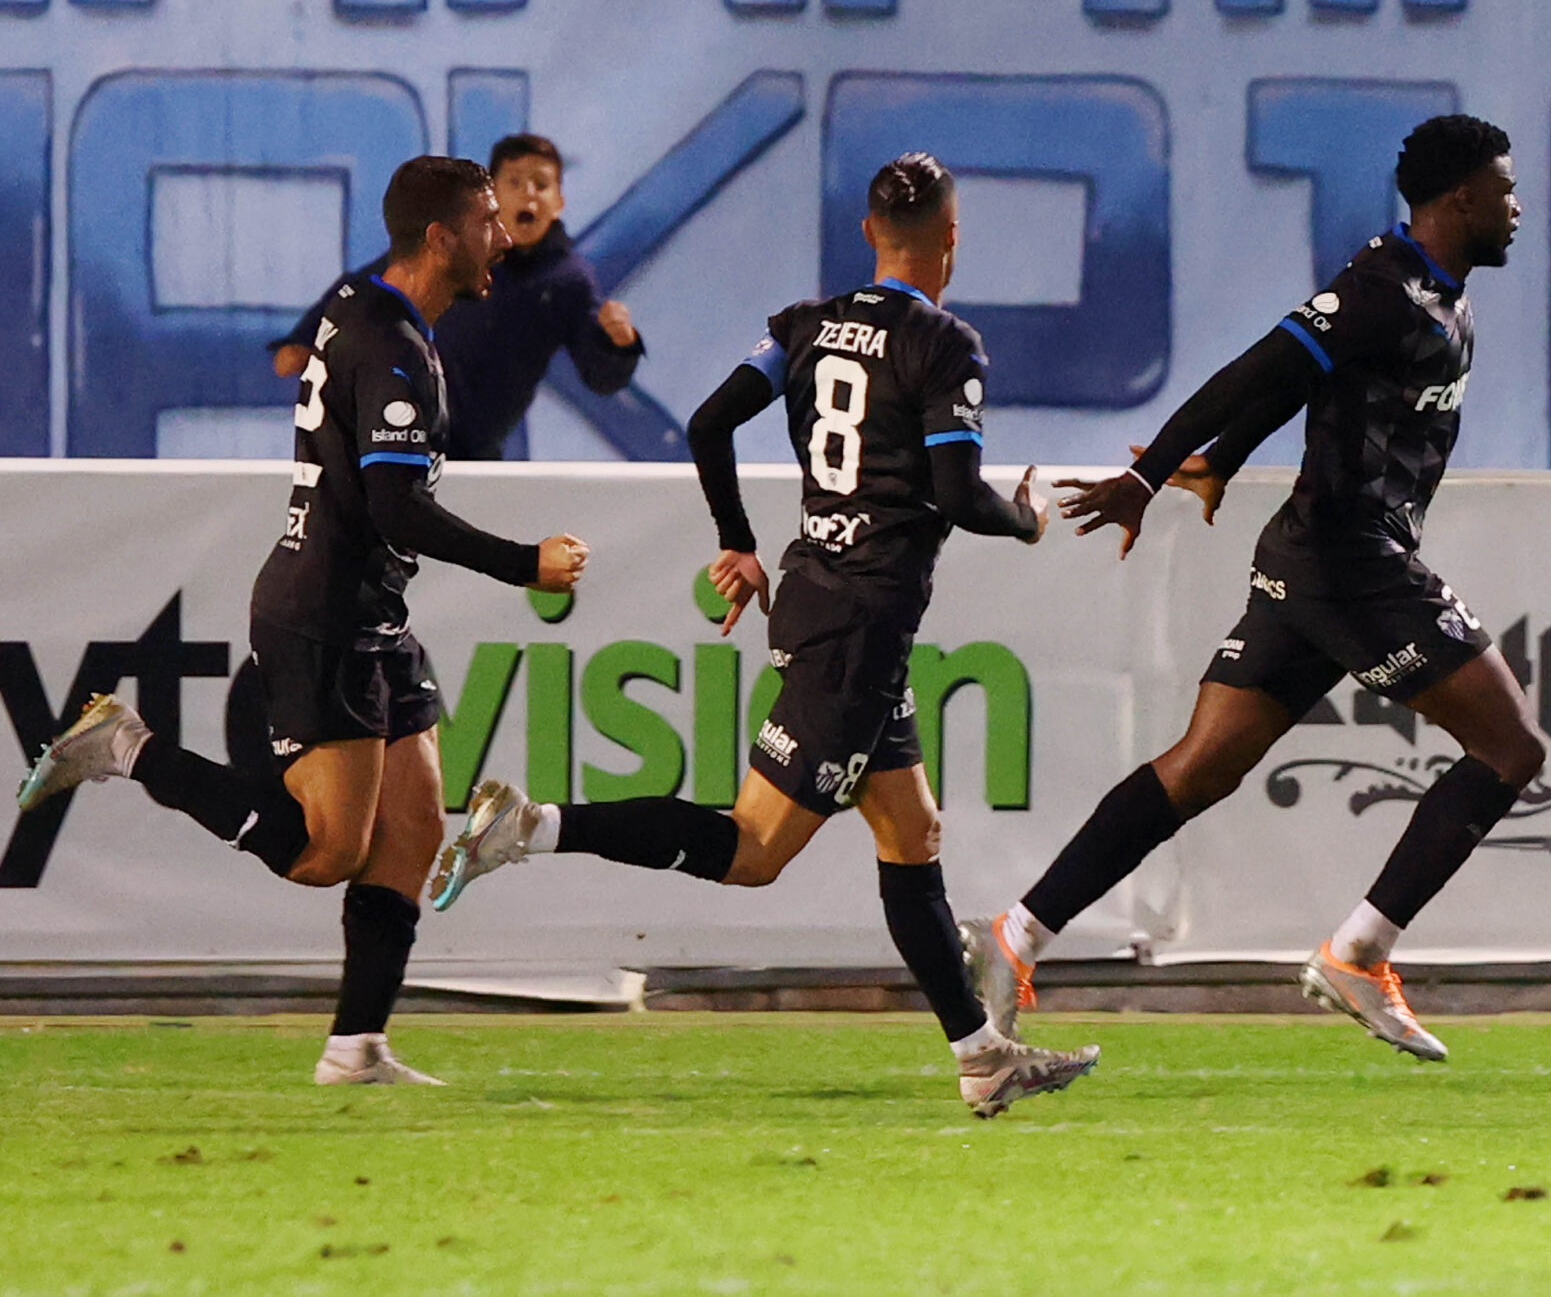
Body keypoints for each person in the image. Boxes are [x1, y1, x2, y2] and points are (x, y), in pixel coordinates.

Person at [428, 153, 1100, 1117]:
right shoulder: (947, 343)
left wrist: (736, 540)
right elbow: (958, 493)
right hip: (861, 628)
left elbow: (709, 423)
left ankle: (981, 1056)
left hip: (820, 600)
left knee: (911, 828)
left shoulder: (804, 325)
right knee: (751, 847)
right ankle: (530, 827)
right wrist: (1026, 519)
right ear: (952, 238)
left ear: (868, 234)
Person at [959, 116, 1543, 1063]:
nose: (1518, 207)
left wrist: (1223, 459)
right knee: (1510, 744)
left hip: (1312, 561)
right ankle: (1359, 952)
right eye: (1506, 189)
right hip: (1355, 566)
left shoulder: (1442, 297)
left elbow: (1302, 388)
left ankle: (1016, 934)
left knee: (1199, 767)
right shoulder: (1382, 290)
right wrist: (1147, 474)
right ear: (1462, 197)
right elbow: (1258, 370)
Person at [18, 157, 588, 1084]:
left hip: (373, 612)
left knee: (411, 834)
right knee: (326, 854)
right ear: (440, 238)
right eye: (486, 221)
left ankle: (356, 1048)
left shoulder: (360, 301)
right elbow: (397, 508)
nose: (502, 236)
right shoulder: (394, 345)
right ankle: (123, 745)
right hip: (324, 617)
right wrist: (526, 564)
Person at [272, 134, 644, 461]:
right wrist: (308, 335)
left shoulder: (567, 280)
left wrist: (619, 344)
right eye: (514, 182)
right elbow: (371, 283)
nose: (528, 192)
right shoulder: (453, 244)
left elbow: (601, 377)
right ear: (491, 197)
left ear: (559, 201)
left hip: (475, 455)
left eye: (541, 184)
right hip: (401, 433)